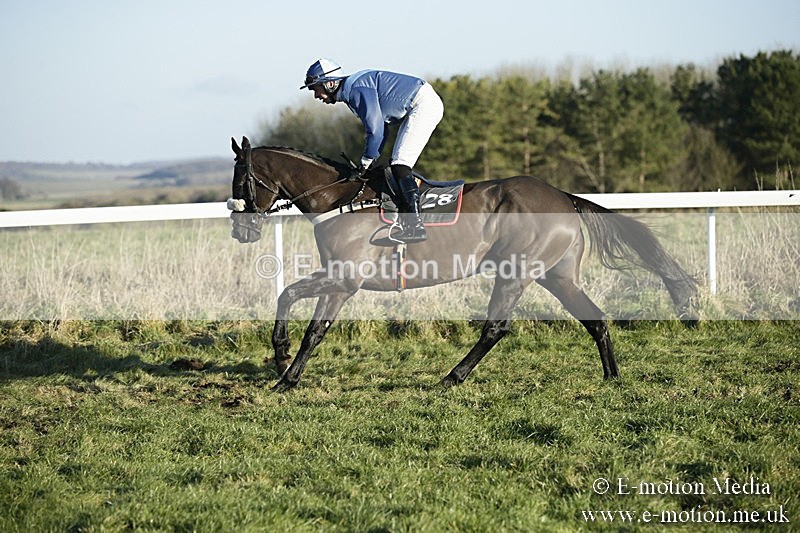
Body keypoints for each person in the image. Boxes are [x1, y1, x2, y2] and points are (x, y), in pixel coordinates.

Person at [300, 58, 444, 243]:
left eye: (315, 89)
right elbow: (381, 129)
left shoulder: (354, 89)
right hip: (420, 102)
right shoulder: (352, 88)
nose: (316, 96)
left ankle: (415, 226)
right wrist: (370, 160)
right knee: (395, 165)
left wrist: (365, 162)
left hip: (423, 105)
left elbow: (375, 130)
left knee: (400, 164)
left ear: (329, 84)